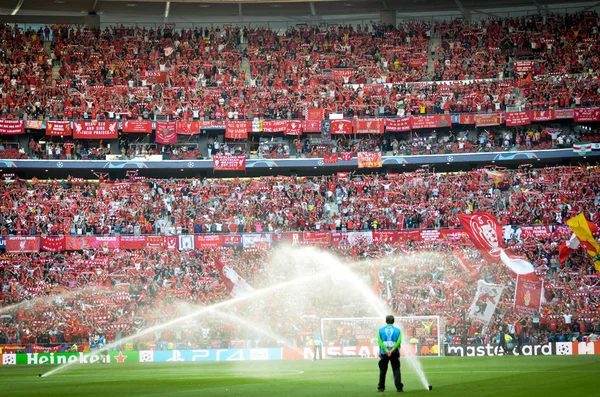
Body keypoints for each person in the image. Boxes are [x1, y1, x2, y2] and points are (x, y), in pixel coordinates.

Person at [377, 315, 403, 393]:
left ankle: (381, 388)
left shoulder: (381, 330)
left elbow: (379, 341)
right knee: (396, 370)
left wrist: (386, 350)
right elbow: (399, 342)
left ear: (386, 321)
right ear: (393, 321)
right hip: (394, 352)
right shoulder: (398, 330)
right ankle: (399, 388)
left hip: (384, 353)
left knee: (383, 370)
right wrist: (391, 350)